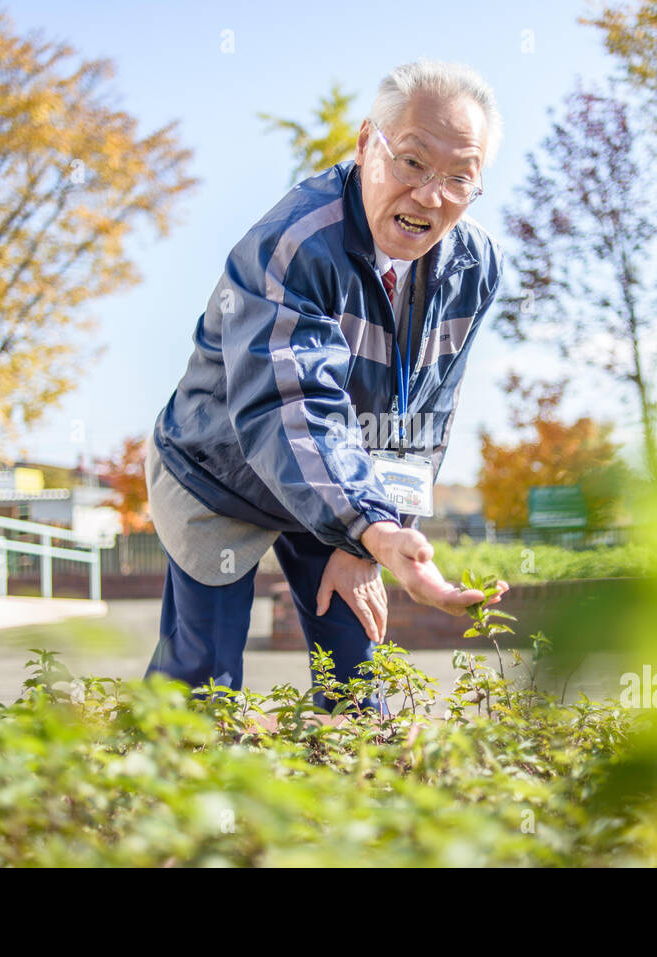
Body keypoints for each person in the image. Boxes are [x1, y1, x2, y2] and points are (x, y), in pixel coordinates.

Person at [144, 58, 509, 714]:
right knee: (201, 687)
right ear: (368, 144)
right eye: (413, 163)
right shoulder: (295, 245)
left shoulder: (473, 267)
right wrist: (367, 525)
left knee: (355, 682)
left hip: (344, 482)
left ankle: (342, 810)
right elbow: (293, 408)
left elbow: (427, 407)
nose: (432, 196)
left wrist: (384, 529)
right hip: (220, 473)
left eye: (460, 177)